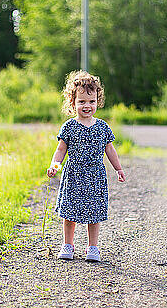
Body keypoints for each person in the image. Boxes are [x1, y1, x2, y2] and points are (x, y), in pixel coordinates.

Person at [46, 70, 126, 262]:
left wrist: (118, 168)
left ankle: (93, 247)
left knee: (94, 212)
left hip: (95, 175)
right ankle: (68, 244)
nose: (87, 106)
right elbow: (60, 150)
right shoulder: (69, 127)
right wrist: (55, 165)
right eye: (81, 102)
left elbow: (110, 150)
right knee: (69, 212)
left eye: (91, 101)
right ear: (72, 103)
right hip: (73, 175)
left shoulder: (102, 127)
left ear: (98, 101)